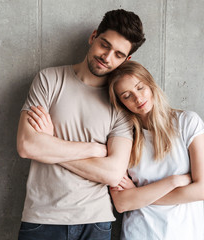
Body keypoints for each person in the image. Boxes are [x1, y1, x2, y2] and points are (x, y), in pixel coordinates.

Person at [16, 9, 145, 240]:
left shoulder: (122, 103)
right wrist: (93, 149)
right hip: (42, 219)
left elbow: (114, 173)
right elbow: (27, 146)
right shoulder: (49, 80)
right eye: (104, 45)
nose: (107, 57)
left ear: (127, 60)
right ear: (93, 36)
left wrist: (50, 145)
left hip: (95, 221)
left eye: (118, 54)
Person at [107, 60, 204, 240]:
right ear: (120, 102)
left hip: (185, 234)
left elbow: (202, 191)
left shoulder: (187, 122)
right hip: (139, 234)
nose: (138, 98)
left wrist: (138, 195)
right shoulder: (124, 138)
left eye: (140, 88)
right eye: (127, 96)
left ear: (150, 84)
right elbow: (122, 203)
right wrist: (173, 181)